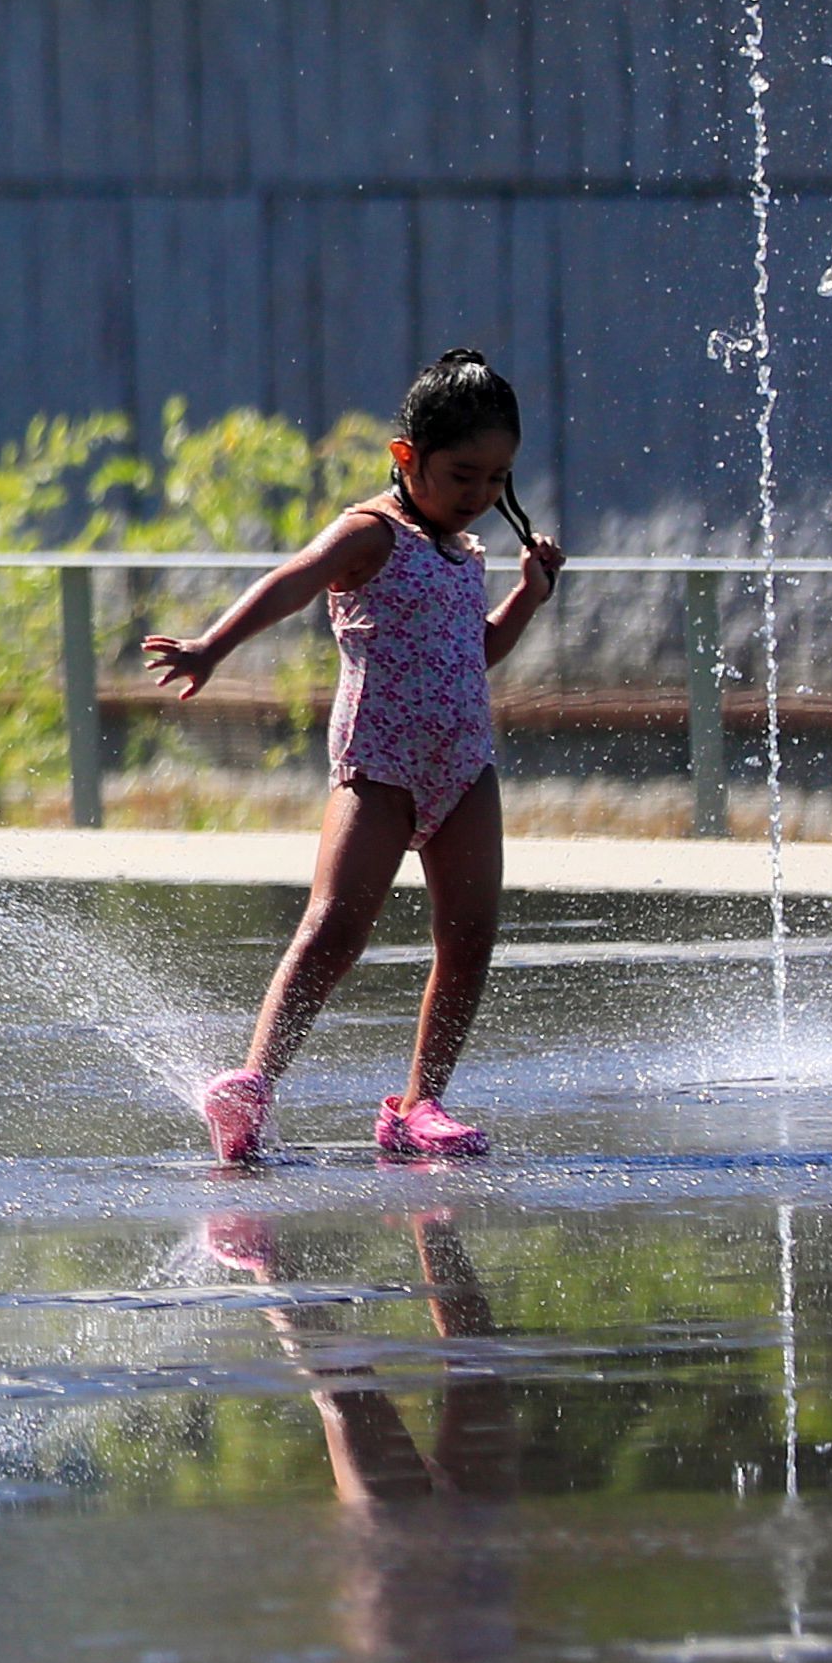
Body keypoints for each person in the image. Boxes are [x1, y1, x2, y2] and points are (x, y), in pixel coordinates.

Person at [145, 348, 564, 1166]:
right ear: (405, 455)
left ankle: (419, 1106)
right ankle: (250, 1087)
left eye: (496, 479)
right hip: (378, 765)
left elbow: (472, 652)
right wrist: (211, 647)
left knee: (468, 936)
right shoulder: (371, 532)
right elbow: (294, 580)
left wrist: (527, 596)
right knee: (334, 928)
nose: (480, 495)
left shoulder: (463, 550)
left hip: (462, 765)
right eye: (462, 475)